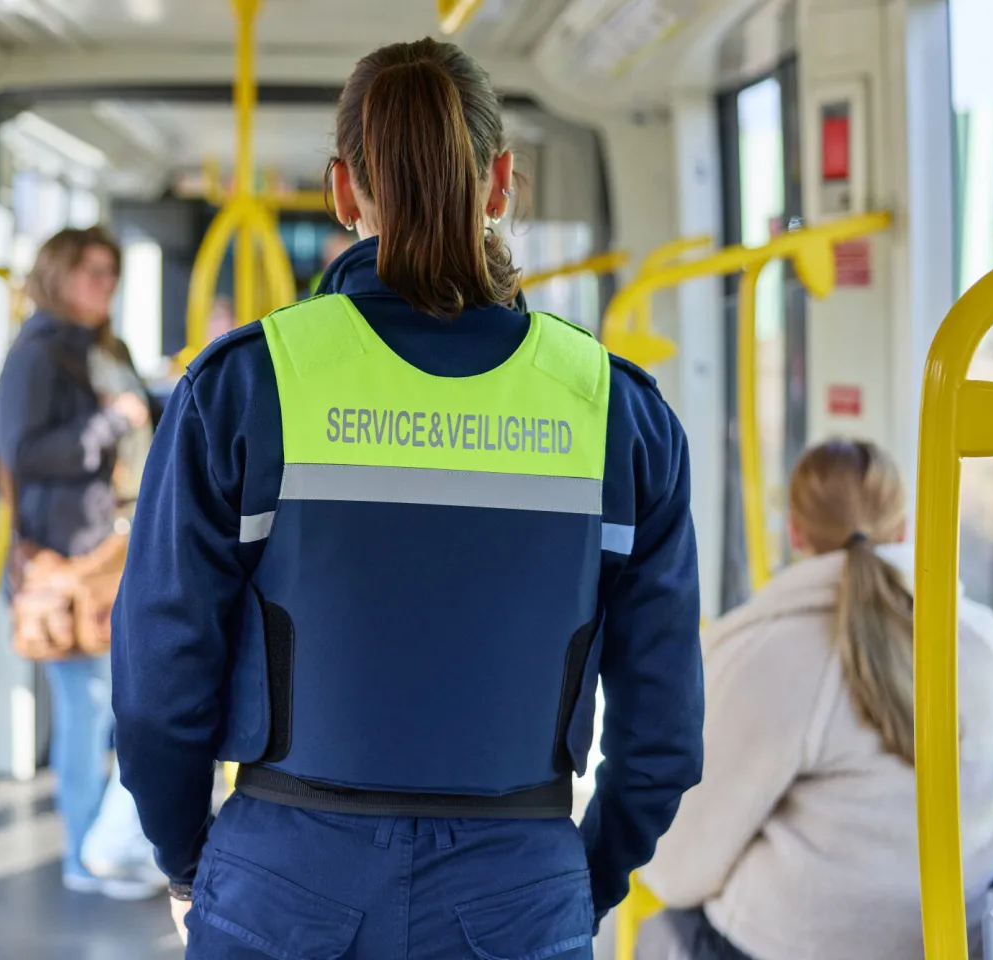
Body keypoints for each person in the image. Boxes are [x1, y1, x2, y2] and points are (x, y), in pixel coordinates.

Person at [112, 38, 703, 958]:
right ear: (501, 182)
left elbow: (159, 681)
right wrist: (570, 883)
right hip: (519, 878)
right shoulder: (616, 412)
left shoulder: (244, 387)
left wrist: (201, 859)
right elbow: (662, 729)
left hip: (282, 874)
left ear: (343, 193)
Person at [638, 439, 993, 960]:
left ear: (795, 533)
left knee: (649, 927)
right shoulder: (981, 638)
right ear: (903, 529)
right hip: (957, 939)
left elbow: (679, 866)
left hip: (795, 945)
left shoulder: (767, 654)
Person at [0, 225, 160, 900]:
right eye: (90, 271)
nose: (103, 284)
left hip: (112, 548)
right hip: (72, 557)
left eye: (111, 272)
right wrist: (110, 422)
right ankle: (88, 853)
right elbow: (24, 453)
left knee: (117, 706)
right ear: (57, 274)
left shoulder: (100, 347)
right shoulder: (40, 355)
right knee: (89, 711)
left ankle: (113, 842)